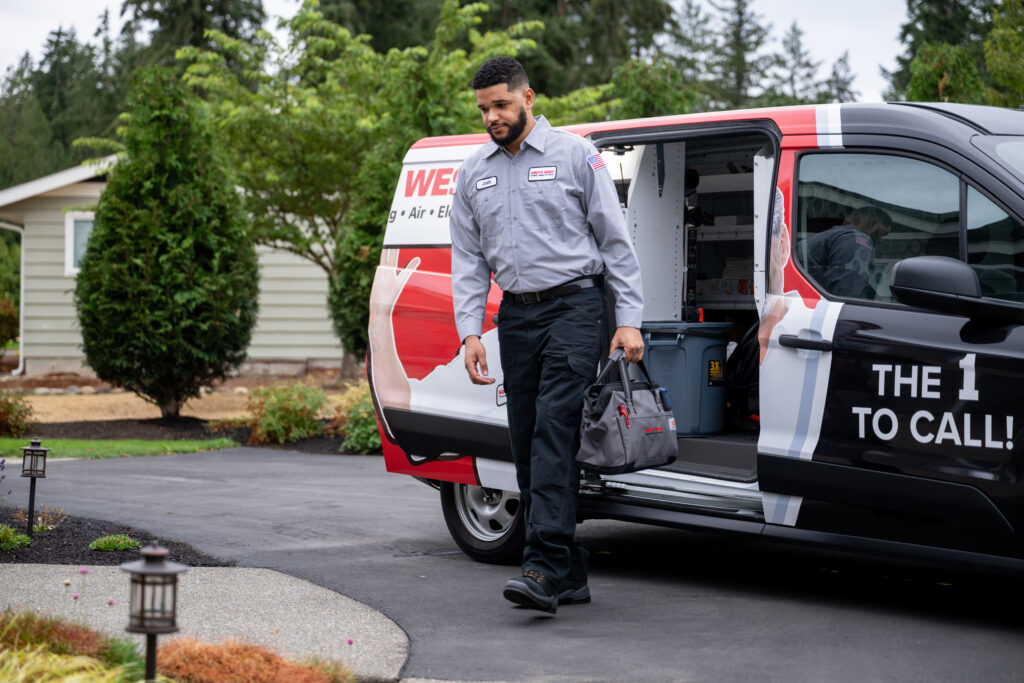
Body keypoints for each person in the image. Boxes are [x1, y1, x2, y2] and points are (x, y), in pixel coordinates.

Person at [449, 56, 645, 614]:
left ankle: (541, 564)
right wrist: (470, 332)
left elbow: (615, 244)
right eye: (484, 108)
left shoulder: (576, 156)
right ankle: (570, 571)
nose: (492, 116)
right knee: (526, 437)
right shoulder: (473, 173)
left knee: (554, 429)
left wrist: (628, 318)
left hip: (576, 308)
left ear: (528, 97)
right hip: (516, 316)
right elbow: (467, 261)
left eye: (502, 105)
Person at [805, 206, 892, 299]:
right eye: (882, 234)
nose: (881, 240)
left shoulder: (832, 236)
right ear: (872, 224)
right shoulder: (858, 240)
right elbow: (847, 294)